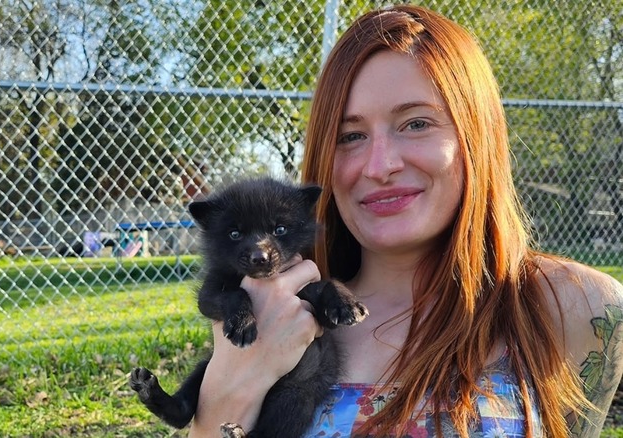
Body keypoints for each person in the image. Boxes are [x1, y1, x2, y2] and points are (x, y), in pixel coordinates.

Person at [188, 5, 623, 438]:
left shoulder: (580, 307)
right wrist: (230, 386)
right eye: (350, 136)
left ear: (476, 137)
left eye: (416, 123)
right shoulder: (278, 312)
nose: (380, 166)